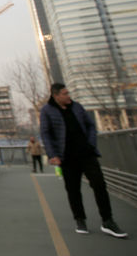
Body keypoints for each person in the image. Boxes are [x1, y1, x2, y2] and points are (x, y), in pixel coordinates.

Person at [40, 83, 127, 238]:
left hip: (87, 154)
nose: (68, 96)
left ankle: (108, 221)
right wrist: (52, 154)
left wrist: (91, 144)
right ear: (56, 95)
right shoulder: (47, 111)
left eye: (68, 93)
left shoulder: (77, 107)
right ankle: (80, 220)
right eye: (65, 94)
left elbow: (91, 126)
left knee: (100, 185)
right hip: (66, 157)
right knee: (73, 190)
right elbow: (45, 134)